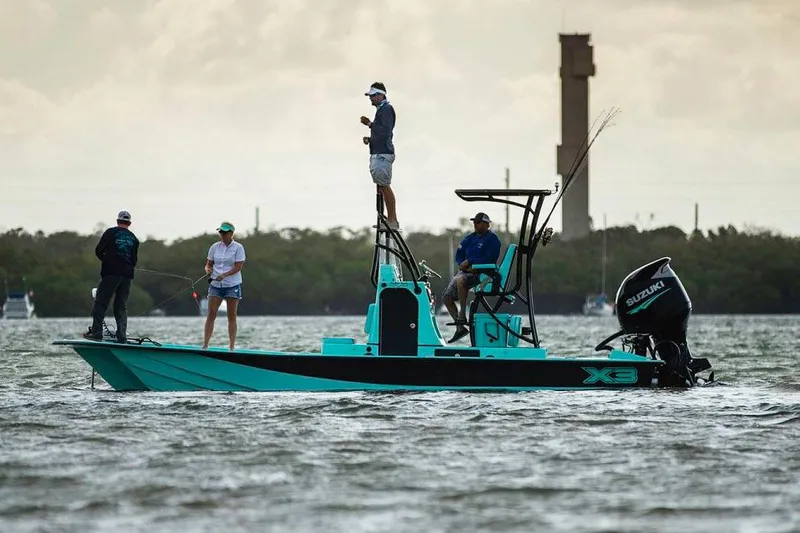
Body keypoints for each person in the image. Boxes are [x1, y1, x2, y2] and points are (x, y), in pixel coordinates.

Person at [442, 212, 502, 343]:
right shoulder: (469, 238)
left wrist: (471, 261)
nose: (475, 224)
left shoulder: (492, 239)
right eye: (474, 222)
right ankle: (460, 328)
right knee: (446, 298)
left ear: (486, 224)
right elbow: (459, 254)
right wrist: (463, 264)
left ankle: (462, 314)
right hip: (465, 271)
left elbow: (490, 258)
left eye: (478, 222)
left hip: (483, 273)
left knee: (461, 280)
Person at [84, 210, 140, 342]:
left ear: (117, 221)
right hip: (127, 275)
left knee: (100, 303)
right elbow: (134, 260)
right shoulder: (134, 239)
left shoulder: (110, 232)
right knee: (121, 306)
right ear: (129, 223)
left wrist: (108, 261)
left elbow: (98, 251)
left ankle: (96, 333)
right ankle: (122, 336)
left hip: (111, 274)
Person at [360, 81, 399, 229]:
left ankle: (392, 220)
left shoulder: (387, 109)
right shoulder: (381, 110)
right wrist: (371, 139)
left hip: (383, 154)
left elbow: (386, 131)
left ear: (381, 95)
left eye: (373, 95)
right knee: (380, 186)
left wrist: (370, 124)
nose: (371, 98)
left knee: (384, 185)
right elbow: (381, 133)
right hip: (378, 152)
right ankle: (386, 218)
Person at [203, 221, 246, 350]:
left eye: (225, 232)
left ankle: (231, 347)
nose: (222, 234)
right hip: (216, 285)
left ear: (231, 233)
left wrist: (225, 274)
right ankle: (205, 345)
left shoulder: (238, 248)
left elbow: (238, 267)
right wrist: (207, 269)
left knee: (231, 315)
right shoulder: (214, 247)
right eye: (220, 232)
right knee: (211, 314)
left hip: (232, 285)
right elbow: (209, 263)